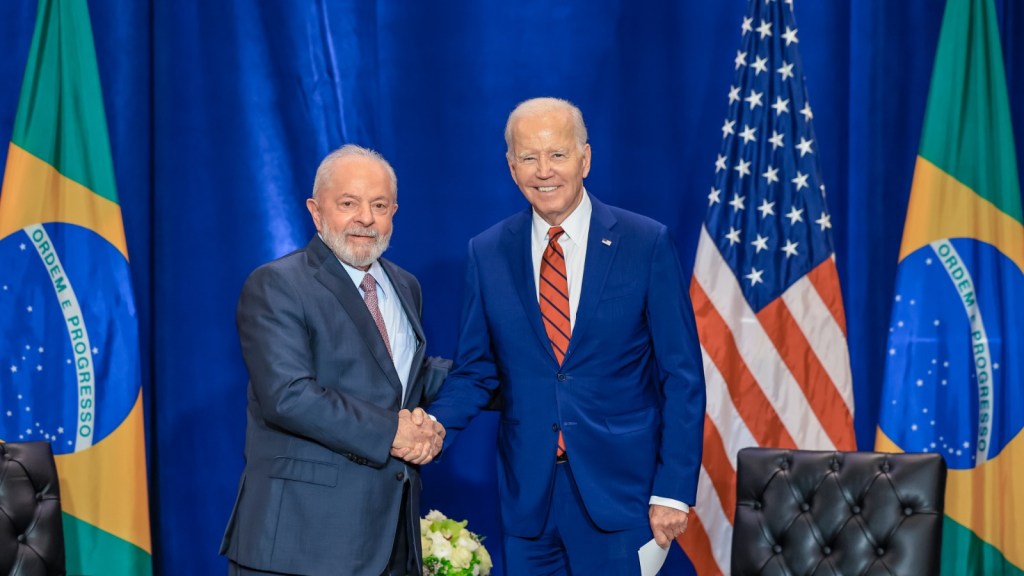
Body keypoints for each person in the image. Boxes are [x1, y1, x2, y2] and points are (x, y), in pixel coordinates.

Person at [427, 97, 706, 575]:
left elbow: (681, 376)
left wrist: (674, 489)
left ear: (585, 159)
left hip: (623, 497)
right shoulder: (487, 253)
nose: (544, 171)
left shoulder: (645, 243)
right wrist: (434, 428)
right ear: (511, 167)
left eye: (556, 154)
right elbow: (477, 370)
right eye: (528, 158)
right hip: (529, 502)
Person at [220, 144, 448, 576]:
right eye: (349, 203)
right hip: (300, 545)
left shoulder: (406, 285)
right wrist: (392, 432)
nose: (365, 217)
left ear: (394, 211)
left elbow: (401, 376)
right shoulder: (277, 284)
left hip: (389, 542)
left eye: (379, 205)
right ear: (316, 209)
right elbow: (288, 396)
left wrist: (499, 377)